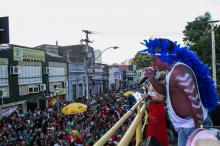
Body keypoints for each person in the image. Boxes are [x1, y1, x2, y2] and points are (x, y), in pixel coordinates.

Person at [140, 38, 218, 146]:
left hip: (194, 126)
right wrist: (151, 78)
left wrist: (199, 132)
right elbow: (165, 91)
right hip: (186, 127)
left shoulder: (179, 72)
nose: (152, 64)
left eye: (153, 59)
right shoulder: (171, 71)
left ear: (165, 55)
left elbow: (195, 103)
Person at [143, 70, 168, 146]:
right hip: (154, 110)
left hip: (156, 111)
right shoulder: (154, 83)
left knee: (155, 133)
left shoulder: (158, 84)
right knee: (157, 132)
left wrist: (147, 96)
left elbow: (161, 99)